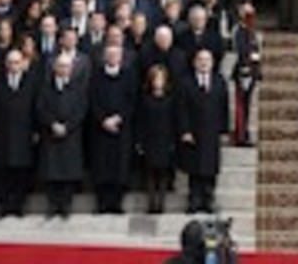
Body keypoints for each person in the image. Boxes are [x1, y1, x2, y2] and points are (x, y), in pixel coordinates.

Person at [178, 47, 230, 214]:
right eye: (200, 60)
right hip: (193, 131)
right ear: (194, 62)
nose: (203, 63)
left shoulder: (219, 81)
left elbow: (224, 107)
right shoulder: (186, 82)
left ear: (212, 63)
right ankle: (194, 200)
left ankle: (208, 199)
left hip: (212, 131)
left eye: (207, 60)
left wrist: (224, 131)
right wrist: (185, 130)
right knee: (194, 167)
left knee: (210, 168)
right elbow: (181, 109)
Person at [36, 51, 88, 219]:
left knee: (68, 172)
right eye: (60, 66)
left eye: (67, 66)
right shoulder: (46, 87)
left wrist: (68, 126)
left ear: (71, 69)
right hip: (51, 133)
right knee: (52, 172)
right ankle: (53, 204)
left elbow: (81, 110)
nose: (63, 69)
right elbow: (40, 108)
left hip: (70, 135)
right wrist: (52, 124)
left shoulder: (78, 88)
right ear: (54, 67)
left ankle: (66, 205)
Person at [89, 41, 137, 214]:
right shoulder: (96, 76)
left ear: (121, 57)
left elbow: (132, 101)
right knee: (102, 167)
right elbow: (92, 100)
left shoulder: (129, 75)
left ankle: (117, 203)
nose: (112, 58)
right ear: (104, 57)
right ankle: (102, 203)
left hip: (121, 129)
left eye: (116, 55)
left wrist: (119, 118)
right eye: (109, 55)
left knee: (120, 167)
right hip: (100, 129)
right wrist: (103, 120)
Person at [0, 48, 37, 217]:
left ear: (23, 63)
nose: (13, 66)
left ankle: (19, 205)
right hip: (3, 132)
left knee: (21, 170)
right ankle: (4, 205)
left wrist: (36, 130)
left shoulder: (32, 81)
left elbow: (35, 107)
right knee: (3, 170)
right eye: (10, 62)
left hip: (24, 132)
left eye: (17, 62)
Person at [136, 64, 176, 215]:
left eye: (161, 78)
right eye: (155, 78)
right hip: (149, 138)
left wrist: (173, 140)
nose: (158, 82)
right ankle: (152, 203)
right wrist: (139, 141)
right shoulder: (144, 98)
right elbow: (140, 120)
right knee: (150, 171)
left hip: (165, 138)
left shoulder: (171, 99)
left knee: (164, 172)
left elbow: (174, 121)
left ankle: (161, 203)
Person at [230, 1, 261, 147]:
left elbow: (255, 50)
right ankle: (240, 135)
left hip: (252, 71)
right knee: (241, 106)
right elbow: (240, 51)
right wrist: (245, 68)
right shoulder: (239, 30)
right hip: (243, 72)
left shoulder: (251, 30)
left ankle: (245, 132)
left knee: (247, 105)